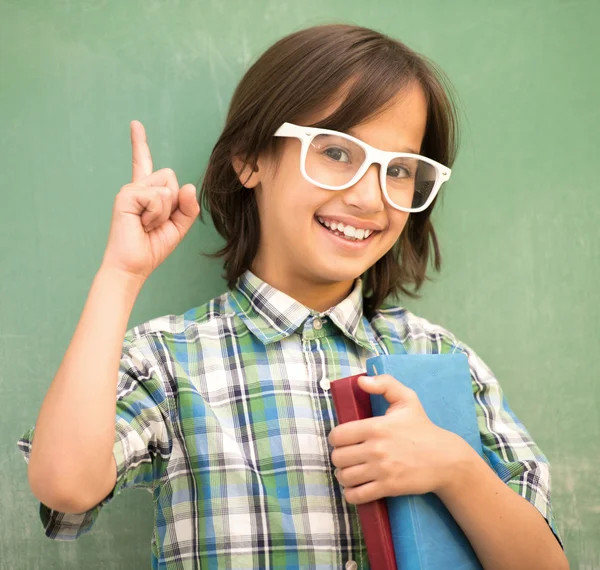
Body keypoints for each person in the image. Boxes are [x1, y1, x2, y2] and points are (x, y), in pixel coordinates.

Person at [18, 24, 568, 570]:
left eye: (399, 169)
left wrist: (456, 468)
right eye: (335, 152)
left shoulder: (442, 360)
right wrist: (121, 273)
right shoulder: (168, 359)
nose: (368, 197)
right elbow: (67, 485)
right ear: (250, 158)